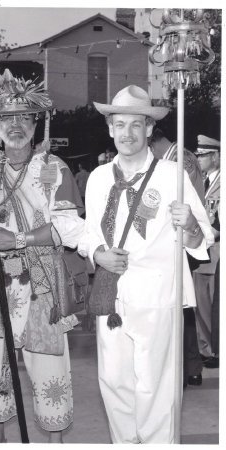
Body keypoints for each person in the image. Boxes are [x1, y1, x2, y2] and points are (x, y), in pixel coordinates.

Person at [0, 69, 85, 443]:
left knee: (50, 373)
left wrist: (19, 239)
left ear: (35, 124)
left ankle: (55, 442)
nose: (16, 126)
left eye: (24, 118)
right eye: (7, 119)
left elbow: (67, 229)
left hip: (42, 289)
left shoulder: (54, 170)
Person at [78, 85, 214, 443]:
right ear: (110, 128)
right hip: (112, 295)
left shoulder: (173, 177)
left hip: (158, 297)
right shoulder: (97, 179)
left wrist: (191, 228)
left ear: (150, 129)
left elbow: (204, 241)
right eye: (120, 124)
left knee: (157, 387)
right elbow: (89, 233)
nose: (127, 133)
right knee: (114, 384)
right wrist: (97, 254)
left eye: (136, 125)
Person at [150, 127, 205, 387]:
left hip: (186, 239)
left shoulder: (177, 161)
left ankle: (187, 367)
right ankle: (189, 366)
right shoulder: (179, 157)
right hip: (183, 238)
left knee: (182, 306)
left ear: (153, 142)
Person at [193, 135, 220, 368]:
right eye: (198, 154)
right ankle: (208, 349)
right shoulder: (202, 181)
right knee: (201, 302)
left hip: (216, 250)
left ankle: (215, 349)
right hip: (201, 251)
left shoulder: (221, 182)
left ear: (216, 156)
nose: (199, 158)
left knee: (214, 302)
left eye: (203, 155)